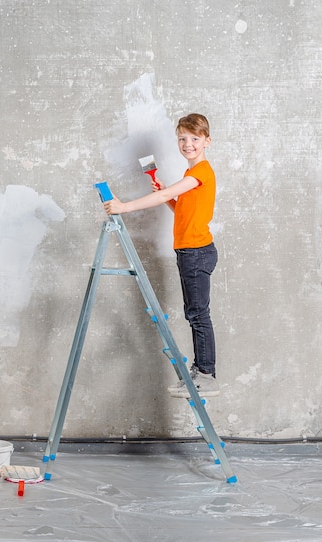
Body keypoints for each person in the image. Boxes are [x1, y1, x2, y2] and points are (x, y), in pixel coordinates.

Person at [103, 113, 219, 398]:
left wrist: (124, 207)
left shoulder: (200, 172)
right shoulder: (190, 176)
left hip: (196, 252)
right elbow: (182, 212)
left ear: (207, 141)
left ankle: (207, 374)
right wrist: (169, 195)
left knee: (198, 314)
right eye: (182, 138)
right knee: (194, 313)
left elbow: (155, 199)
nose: (187, 144)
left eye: (194, 138)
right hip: (189, 251)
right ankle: (200, 370)